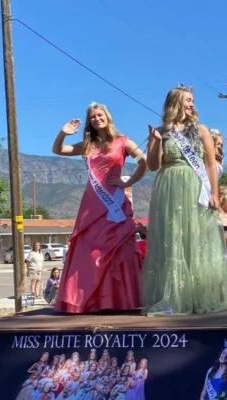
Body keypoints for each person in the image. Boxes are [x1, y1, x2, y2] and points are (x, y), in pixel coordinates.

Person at [141, 84, 227, 316]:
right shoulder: (161, 131)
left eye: (192, 100)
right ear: (175, 103)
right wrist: (155, 142)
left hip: (196, 188)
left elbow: (209, 163)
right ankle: (172, 298)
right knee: (173, 241)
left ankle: (200, 294)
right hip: (169, 188)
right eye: (188, 100)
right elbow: (153, 166)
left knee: (197, 240)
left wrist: (214, 193)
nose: (192, 104)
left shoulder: (201, 130)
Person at [51, 102, 147, 313]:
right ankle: (90, 301)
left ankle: (120, 300)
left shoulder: (123, 141)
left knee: (118, 251)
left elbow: (145, 162)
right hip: (91, 204)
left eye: (99, 115)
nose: (96, 119)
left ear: (107, 117)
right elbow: (57, 150)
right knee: (88, 252)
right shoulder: (86, 145)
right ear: (89, 122)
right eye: (92, 117)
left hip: (115, 204)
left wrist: (128, 182)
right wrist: (63, 133)